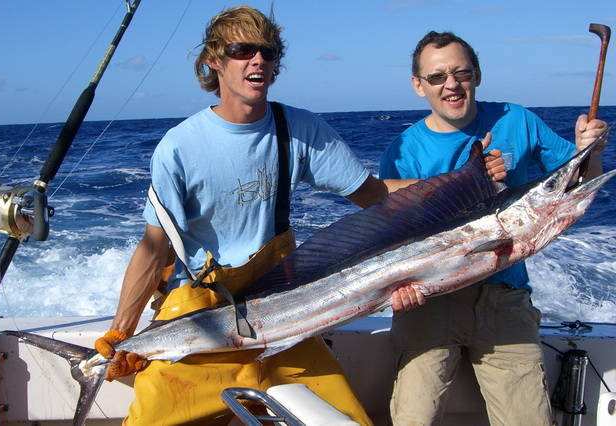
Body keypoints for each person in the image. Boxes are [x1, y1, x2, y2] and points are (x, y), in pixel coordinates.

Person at [94, 9, 506, 425]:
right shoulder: (178, 147)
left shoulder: (299, 128)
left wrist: (461, 181)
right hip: (203, 317)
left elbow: (376, 195)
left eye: (267, 51)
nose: (257, 60)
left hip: (285, 309)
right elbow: (154, 247)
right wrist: (121, 331)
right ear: (214, 61)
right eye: (242, 50)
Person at [380, 30, 609, 426]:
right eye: (436, 77)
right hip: (430, 302)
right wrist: (396, 289)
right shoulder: (404, 151)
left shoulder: (517, 119)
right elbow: (390, 238)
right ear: (419, 86)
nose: (451, 84)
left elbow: (574, 182)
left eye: (461, 72)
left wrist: (593, 151)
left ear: (477, 75)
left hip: (505, 299)